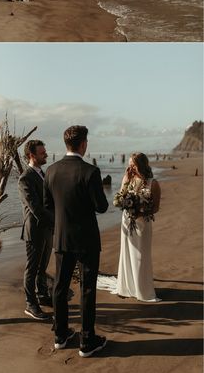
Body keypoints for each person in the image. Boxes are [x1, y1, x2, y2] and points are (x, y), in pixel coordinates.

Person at [44, 125, 108, 357]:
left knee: (60, 287)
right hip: (87, 240)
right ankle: (87, 341)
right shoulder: (90, 172)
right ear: (83, 144)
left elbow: (47, 205)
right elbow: (102, 206)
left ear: (66, 144)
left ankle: (60, 335)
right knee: (87, 289)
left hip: (61, 238)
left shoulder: (51, 170)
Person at [116, 153, 161, 302]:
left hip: (143, 224)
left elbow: (155, 208)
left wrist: (141, 211)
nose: (130, 167)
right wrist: (126, 180)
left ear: (141, 165)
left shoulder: (152, 183)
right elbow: (118, 200)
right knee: (127, 254)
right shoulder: (128, 180)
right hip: (126, 222)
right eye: (129, 164)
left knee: (141, 257)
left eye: (133, 165)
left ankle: (143, 290)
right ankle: (127, 286)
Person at [18, 140, 54, 320]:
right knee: (32, 269)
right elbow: (35, 207)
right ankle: (30, 304)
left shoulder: (43, 174)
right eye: (42, 153)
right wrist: (56, 219)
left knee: (43, 266)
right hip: (35, 229)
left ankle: (42, 296)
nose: (45, 154)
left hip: (47, 229)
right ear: (32, 155)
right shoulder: (25, 178)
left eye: (45, 151)